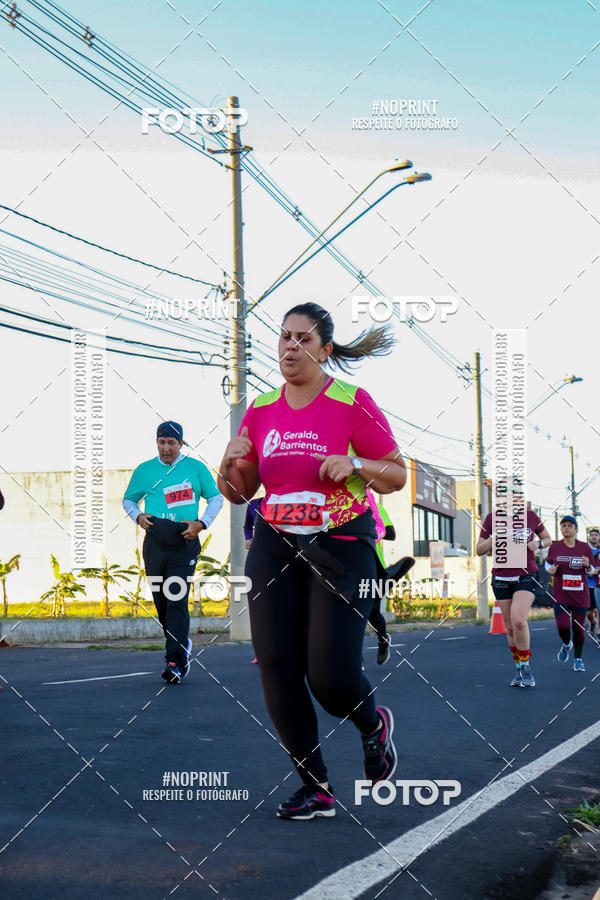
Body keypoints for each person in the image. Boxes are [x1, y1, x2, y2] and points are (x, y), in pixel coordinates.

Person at [218, 302, 406, 820]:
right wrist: (226, 465)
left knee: (331, 678)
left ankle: (373, 724)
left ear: (325, 350)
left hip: (340, 544)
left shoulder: (351, 401)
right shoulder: (261, 408)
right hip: (275, 543)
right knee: (277, 668)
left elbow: (395, 474)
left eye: (303, 338)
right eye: (284, 336)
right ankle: (315, 787)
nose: (290, 346)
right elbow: (239, 492)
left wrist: (357, 463)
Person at [123, 421, 223, 683]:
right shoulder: (145, 470)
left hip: (184, 539)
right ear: (156, 443)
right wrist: (138, 516)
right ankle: (180, 643)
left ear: (181, 444)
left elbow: (216, 498)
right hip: (156, 540)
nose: (166, 447)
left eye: (171, 443)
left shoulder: (196, 468)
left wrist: (202, 523)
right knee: (162, 602)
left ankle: (174, 661)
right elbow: (129, 499)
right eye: (161, 442)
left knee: (176, 598)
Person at [476, 495, 551, 688]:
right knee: (509, 628)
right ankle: (519, 668)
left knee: (518, 620)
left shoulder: (530, 516)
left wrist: (538, 544)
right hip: (501, 578)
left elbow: (548, 539)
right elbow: (479, 549)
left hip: (526, 575)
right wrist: (494, 537)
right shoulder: (492, 518)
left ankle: (526, 667)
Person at [546, 516, 596, 672]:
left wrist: (587, 566)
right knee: (562, 627)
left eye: (569, 525)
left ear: (576, 529)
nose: (566, 528)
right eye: (563, 525)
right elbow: (548, 563)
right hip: (561, 594)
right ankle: (567, 644)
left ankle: (578, 659)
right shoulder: (555, 547)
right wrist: (550, 569)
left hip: (580, 595)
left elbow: (592, 570)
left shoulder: (584, 547)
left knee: (578, 628)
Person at [585, 527, 600, 641]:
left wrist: (596, 571)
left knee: (597, 610)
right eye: (592, 535)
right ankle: (592, 623)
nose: (594, 537)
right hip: (586, 585)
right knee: (589, 612)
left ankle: (598, 632)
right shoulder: (585, 550)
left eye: (596, 535)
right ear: (589, 537)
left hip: (597, 584)